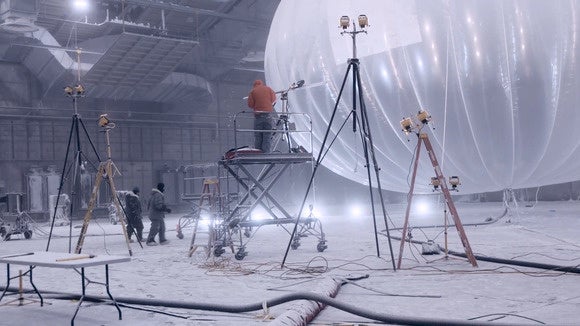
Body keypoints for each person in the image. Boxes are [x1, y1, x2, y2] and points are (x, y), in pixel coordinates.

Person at [247, 79, 276, 153]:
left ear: (254, 85)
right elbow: (273, 99)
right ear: (261, 84)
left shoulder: (253, 91)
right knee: (267, 134)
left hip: (258, 116)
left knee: (258, 135)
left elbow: (250, 104)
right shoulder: (268, 89)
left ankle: (258, 152)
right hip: (268, 116)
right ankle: (266, 152)